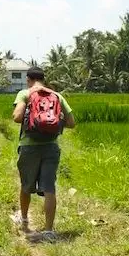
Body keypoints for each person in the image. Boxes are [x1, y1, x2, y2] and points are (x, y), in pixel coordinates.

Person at [11, 66, 75, 241]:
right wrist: (52, 124)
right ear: (44, 79)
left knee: (26, 186)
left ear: (28, 79)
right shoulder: (57, 96)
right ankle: (48, 230)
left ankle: (24, 220)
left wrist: (32, 119)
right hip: (51, 147)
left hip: (29, 146)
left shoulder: (25, 93)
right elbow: (71, 123)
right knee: (49, 188)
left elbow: (16, 117)